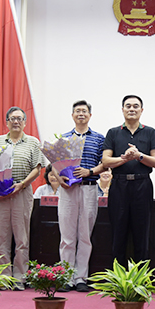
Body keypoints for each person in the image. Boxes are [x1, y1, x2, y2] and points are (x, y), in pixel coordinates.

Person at [53, 100, 105, 293]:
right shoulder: (63, 138)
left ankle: (81, 278)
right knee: (66, 236)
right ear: (72, 115)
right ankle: (66, 277)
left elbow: (105, 164)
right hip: (68, 190)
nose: (81, 113)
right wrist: (59, 178)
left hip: (89, 188)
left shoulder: (99, 139)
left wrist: (89, 171)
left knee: (85, 236)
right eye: (77, 111)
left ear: (90, 115)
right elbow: (54, 163)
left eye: (84, 111)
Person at [0, 107, 44, 291]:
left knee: (22, 237)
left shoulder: (32, 142)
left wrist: (22, 184)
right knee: (2, 237)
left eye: (19, 119)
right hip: (1, 194)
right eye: (12, 118)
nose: (16, 122)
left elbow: (37, 168)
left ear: (25, 122)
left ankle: (20, 277)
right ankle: (3, 277)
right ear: (7, 122)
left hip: (22, 191)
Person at [102, 95, 155, 266]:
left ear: (141, 110)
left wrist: (139, 156)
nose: (132, 109)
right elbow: (106, 161)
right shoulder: (113, 132)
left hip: (142, 185)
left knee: (142, 234)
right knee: (118, 233)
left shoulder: (150, 132)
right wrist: (125, 158)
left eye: (136, 106)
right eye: (128, 106)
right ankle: (117, 277)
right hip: (118, 186)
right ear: (122, 110)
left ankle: (141, 277)